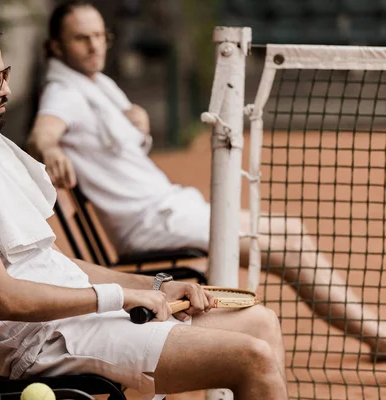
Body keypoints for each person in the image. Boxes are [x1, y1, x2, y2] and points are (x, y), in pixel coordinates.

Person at [0, 2, 288, 399]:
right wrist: (121, 297)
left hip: (75, 321)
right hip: (46, 344)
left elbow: (57, 267)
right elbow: (5, 298)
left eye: (5, 75)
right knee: (252, 358)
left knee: (260, 323)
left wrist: (156, 284)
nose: (7, 90)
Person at [27, 0, 386, 360]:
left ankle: (374, 333)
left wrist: (134, 120)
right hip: (153, 223)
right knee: (290, 243)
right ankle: (376, 335)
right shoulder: (65, 92)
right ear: (55, 47)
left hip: (169, 209)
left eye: (100, 35)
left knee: (292, 233)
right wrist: (52, 150)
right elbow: (42, 133)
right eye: (80, 38)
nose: (95, 46)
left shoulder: (96, 84)